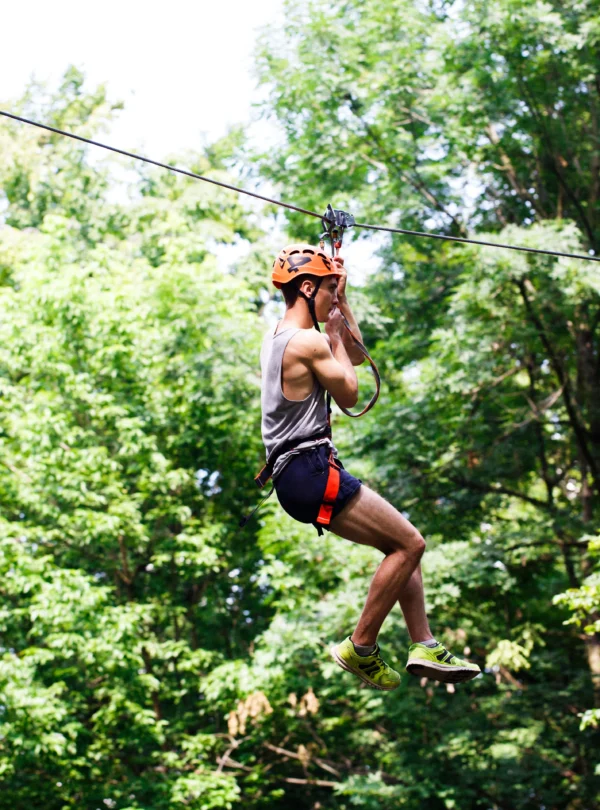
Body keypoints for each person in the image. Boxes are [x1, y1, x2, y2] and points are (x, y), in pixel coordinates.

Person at [260, 244, 480, 690]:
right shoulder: (307, 342)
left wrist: (342, 305)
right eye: (325, 291)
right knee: (411, 544)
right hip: (310, 471)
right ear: (306, 287)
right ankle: (360, 647)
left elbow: (353, 358)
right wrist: (336, 334)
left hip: (299, 476)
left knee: (400, 543)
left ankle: (424, 643)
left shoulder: (279, 337)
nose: (331, 298)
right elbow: (351, 392)